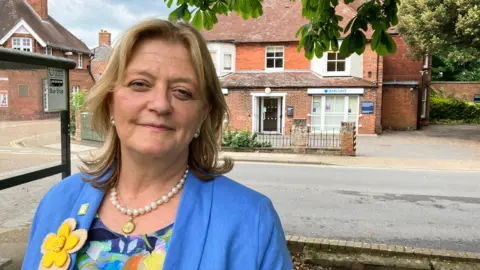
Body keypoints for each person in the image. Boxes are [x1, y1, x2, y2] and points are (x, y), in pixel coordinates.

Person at [22, 18, 293, 269]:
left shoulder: (252, 220)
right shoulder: (57, 201)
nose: (161, 104)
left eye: (182, 92)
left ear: (203, 114)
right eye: (140, 84)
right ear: (110, 101)